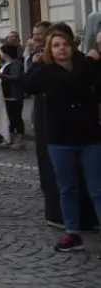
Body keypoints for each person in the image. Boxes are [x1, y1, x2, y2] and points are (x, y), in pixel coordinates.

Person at [24, 27, 101, 253]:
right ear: (50, 50)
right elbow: (28, 85)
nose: (61, 49)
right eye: (56, 46)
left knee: (97, 188)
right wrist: (36, 63)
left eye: (65, 44)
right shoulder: (48, 72)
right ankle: (72, 233)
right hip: (60, 139)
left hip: (89, 138)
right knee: (67, 188)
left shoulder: (86, 67)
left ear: (72, 46)